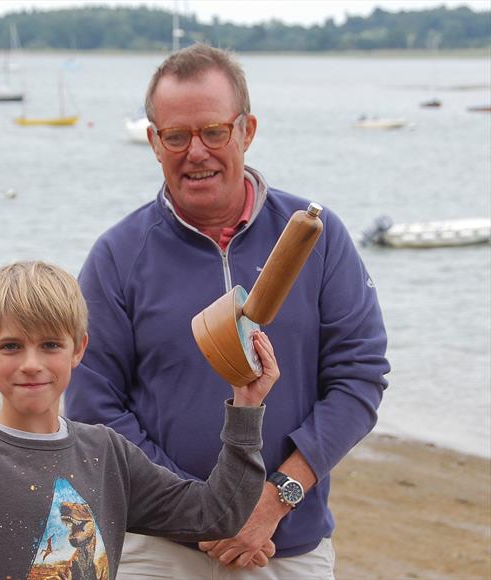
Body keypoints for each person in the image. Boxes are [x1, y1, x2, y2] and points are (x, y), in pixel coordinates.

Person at [65, 43, 390, 579]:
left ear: (247, 130)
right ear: (153, 141)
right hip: (159, 548)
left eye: (214, 131)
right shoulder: (117, 256)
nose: (197, 151)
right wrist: (201, 510)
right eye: (177, 135)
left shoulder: (316, 236)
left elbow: (359, 379)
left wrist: (275, 500)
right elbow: (93, 405)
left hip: (288, 545)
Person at [0, 260, 280, 579]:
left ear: (78, 349)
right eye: (10, 346)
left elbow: (217, 515)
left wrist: (245, 409)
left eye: (50, 345)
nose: (30, 364)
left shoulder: (108, 455)